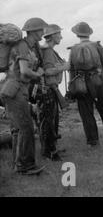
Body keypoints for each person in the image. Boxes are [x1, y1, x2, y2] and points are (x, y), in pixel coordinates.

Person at [2, 17, 48, 174]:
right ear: (34, 31)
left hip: (15, 90)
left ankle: (18, 164)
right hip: (14, 91)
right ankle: (25, 166)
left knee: (19, 129)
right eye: (41, 29)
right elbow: (24, 71)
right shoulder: (22, 46)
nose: (43, 32)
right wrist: (38, 74)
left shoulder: (30, 46)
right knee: (26, 128)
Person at [68, 22, 103, 146]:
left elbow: (71, 70)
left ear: (77, 34)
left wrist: (72, 86)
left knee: (86, 113)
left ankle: (93, 141)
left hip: (81, 83)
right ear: (89, 33)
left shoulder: (73, 49)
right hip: (98, 80)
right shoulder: (97, 46)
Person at [39, 24, 70, 161]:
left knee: (51, 121)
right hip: (48, 90)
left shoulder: (49, 50)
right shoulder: (48, 51)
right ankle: (49, 152)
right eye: (59, 34)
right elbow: (47, 71)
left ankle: (52, 148)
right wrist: (63, 67)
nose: (61, 37)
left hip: (51, 89)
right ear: (52, 36)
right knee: (48, 122)